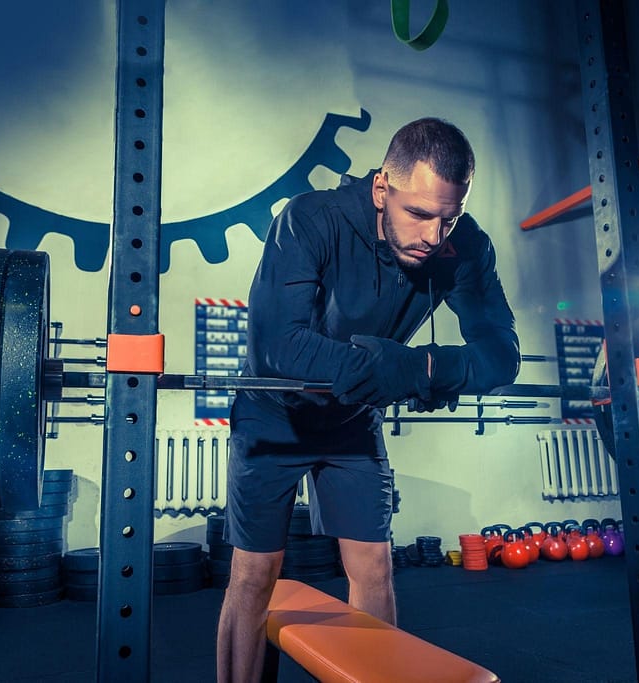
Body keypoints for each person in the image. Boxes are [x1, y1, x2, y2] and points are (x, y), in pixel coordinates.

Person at [215, 117, 520, 682]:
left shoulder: (464, 246)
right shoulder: (309, 219)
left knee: (375, 567)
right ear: (382, 188)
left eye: (447, 218)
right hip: (272, 416)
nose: (434, 235)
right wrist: (393, 373)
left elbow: (502, 355)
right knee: (255, 574)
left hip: (353, 421)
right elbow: (278, 343)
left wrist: (422, 367)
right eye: (419, 214)